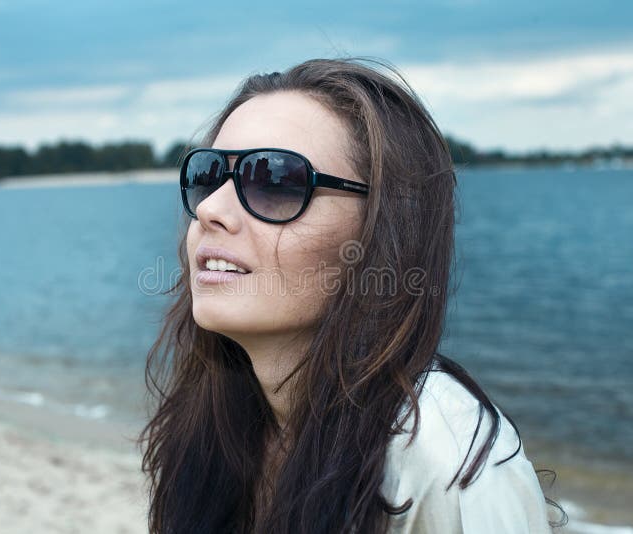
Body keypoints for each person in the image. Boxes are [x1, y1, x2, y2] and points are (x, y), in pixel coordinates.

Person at [138, 57, 566, 533]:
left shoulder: (444, 457)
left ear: (381, 232)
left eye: (274, 181)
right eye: (207, 175)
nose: (212, 209)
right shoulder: (218, 428)